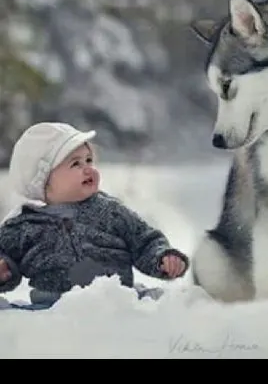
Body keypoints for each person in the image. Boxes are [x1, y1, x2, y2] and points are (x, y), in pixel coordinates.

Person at [0, 122, 189, 309]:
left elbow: (144, 240)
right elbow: (4, 253)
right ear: (43, 180)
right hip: (52, 311)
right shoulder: (25, 226)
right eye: (76, 163)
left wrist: (162, 258)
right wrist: (4, 269)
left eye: (89, 160)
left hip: (115, 304)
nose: (88, 168)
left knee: (174, 304)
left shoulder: (110, 211)